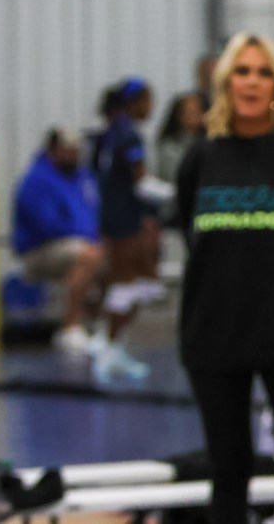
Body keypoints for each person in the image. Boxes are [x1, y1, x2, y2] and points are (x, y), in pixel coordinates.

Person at [176, 33, 274, 523]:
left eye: (263, 72)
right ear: (225, 81)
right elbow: (190, 232)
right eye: (242, 71)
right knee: (228, 472)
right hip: (214, 335)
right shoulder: (200, 156)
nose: (251, 81)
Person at [92, 78, 170, 381]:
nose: (151, 108)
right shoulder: (128, 135)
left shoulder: (112, 132)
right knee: (126, 284)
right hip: (123, 221)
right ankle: (108, 347)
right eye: (148, 101)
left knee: (140, 284)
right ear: (134, 102)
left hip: (116, 218)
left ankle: (111, 343)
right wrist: (184, 192)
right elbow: (142, 184)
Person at [12, 127, 104, 355]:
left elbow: (98, 213)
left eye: (76, 149)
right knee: (88, 255)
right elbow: (47, 225)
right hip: (40, 250)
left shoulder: (84, 178)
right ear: (54, 149)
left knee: (114, 256)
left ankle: (96, 326)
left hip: (82, 243)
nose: (74, 154)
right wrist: (88, 236)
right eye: (68, 149)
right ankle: (69, 328)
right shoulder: (37, 180)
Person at [155, 91, 206, 227]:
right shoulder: (170, 146)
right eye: (190, 112)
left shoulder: (208, 142)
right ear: (179, 115)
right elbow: (178, 178)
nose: (196, 116)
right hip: (175, 213)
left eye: (198, 111)